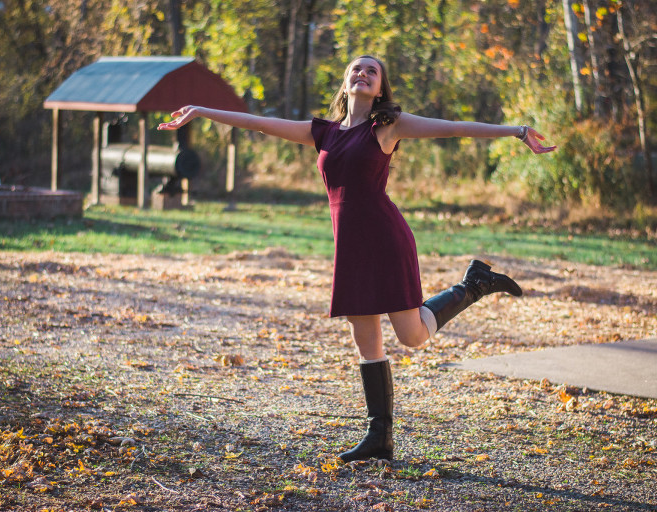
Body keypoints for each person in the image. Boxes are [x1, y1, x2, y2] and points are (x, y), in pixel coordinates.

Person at [159, 55, 557, 463]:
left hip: (385, 238)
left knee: (412, 335)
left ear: (380, 88)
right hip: (348, 245)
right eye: (356, 69)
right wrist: (200, 110)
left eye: (372, 71)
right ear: (345, 83)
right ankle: (378, 438)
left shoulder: (387, 127)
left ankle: (473, 285)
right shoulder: (323, 132)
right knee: (365, 338)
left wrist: (518, 131)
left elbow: (453, 128)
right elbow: (259, 122)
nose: (363, 74)